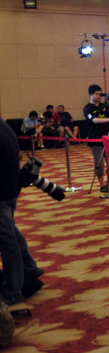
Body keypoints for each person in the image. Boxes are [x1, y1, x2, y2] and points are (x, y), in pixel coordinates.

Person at [0, 119, 43, 307]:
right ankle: (29, 268)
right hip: (10, 189)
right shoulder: (3, 125)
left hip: (2, 193)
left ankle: (13, 291)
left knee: (6, 240)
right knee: (11, 232)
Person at [83, 84, 109, 193]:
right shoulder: (87, 108)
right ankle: (102, 184)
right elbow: (94, 120)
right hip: (95, 139)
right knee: (99, 163)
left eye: (100, 94)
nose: (99, 96)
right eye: (97, 94)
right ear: (91, 94)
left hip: (108, 137)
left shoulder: (105, 105)